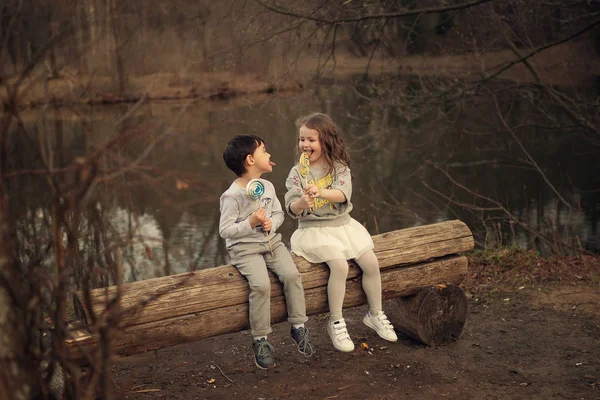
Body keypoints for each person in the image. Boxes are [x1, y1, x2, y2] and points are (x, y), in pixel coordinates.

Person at [284, 113, 398, 352]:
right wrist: (302, 203)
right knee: (340, 265)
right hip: (313, 230)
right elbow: (292, 207)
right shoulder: (297, 173)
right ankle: (336, 320)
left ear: (326, 141)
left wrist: (321, 192)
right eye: (302, 139)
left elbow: (343, 194)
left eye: (311, 140)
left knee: (371, 263)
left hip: (343, 226)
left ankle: (375, 313)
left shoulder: (339, 168)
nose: (305, 144)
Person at [219, 135, 313, 369]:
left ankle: (299, 327)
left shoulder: (268, 187)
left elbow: (279, 214)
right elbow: (225, 231)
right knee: (261, 286)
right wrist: (250, 222)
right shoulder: (232, 196)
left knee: (292, 276)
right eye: (264, 150)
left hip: (272, 244)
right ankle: (260, 340)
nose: (269, 154)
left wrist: (271, 223)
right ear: (250, 159)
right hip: (245, 249)